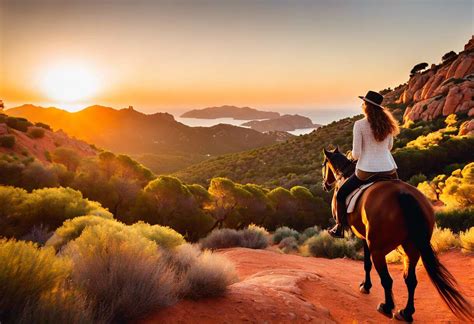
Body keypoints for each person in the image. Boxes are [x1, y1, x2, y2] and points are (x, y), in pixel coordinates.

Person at [329, 90, 400, 238]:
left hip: (367, 170)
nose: (362, 105)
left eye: (364, 103)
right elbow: (389, 147)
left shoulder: (360, 124)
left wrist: (351, 155)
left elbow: (357, 154)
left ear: (367, 106)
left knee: (341, 194)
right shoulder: (388, 124)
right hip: (389, 169)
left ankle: (340, 227)